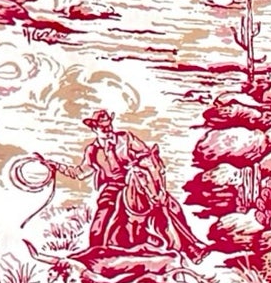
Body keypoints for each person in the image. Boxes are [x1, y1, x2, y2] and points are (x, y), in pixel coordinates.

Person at [78, 109, 203, 257]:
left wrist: (138, 163)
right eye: (103, 128)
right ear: (95, 129)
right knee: (101, 218)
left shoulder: (125, 138)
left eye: (109, 125)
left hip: (136, 180)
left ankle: (190, 247)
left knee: (170, 204)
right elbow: (81, 171)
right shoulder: (92, 151)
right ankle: (96, 253)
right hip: (113, 186)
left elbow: (145, 152)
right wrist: (59, 168)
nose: (108, 130)